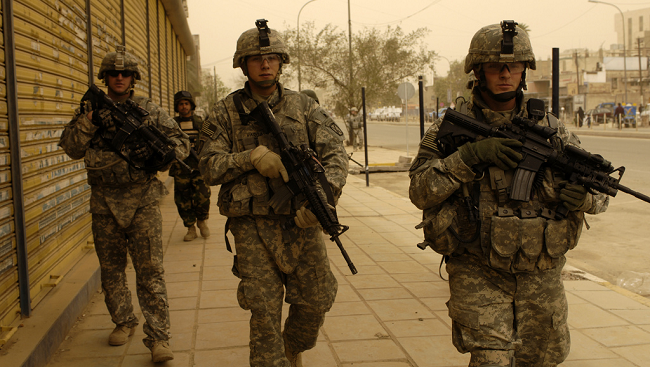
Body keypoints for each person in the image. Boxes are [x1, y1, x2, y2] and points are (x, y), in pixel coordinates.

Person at [408, 21, 609, 367]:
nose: (505, 73)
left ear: (525, 71)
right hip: (477, 268)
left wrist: (586, 199)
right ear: (478, 71)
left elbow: (601, 191)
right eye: (494, 66)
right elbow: (419, 190)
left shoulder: (552, 129)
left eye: (513, 65)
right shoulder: (450, 127)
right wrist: (469, 157)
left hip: (540, 271)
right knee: (491, 361)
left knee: (542, 358)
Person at [197, 19, 348, 367]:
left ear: (281, 63)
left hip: (301, 222)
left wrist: (324, 198)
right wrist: (249, 157)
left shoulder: (303, 106)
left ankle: (290, 346)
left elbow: (335, 155)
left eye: (272, 58)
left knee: (318, 298)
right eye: (256, 59)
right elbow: (207, 165)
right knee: (263, 311)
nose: (265, 64)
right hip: (251, 226)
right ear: (243, 65)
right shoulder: (224, 112)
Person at [58, 46, 190, 363]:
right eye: (114, 73)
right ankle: (123, 321)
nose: (119, 78)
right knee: (112, 271)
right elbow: (71, 147)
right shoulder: (89, 109)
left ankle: (159, 338)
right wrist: (90, 121)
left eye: (125, 73)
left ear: (133, 77)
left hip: (142, 201)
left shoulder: (149, 110)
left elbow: (182, 144)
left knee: (151, 273)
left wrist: (158, 153)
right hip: (103, 203)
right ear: (105, 78)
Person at [170, 90, 211, 241]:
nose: (184, 107)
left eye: (186, 103)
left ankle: (202, 221)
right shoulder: (172, 125)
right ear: (177, 106)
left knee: (203, 196)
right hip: (180, 167)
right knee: (183, 199)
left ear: (191, 105)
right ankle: (190, 228)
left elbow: (214, 137)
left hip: (198, 166)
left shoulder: (200, 122)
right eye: (181, 104)